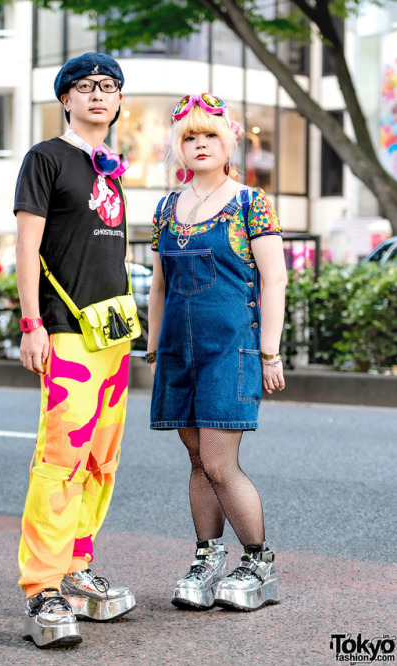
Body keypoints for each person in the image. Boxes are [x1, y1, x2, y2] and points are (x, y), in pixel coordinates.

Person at [147, 93, 288, 612]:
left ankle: (258, 562)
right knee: (195, 459)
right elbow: (159, 286)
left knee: (218, 461)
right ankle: (208, 557)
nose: (200, 144)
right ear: (177, 148)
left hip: (232, 347)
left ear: (229, 141)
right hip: (177, 352)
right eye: (189, 137)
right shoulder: (165, 208)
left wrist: (269, 352)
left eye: (209, 135)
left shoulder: (252, 202)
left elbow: (275, 279)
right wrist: (153, 345)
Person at [14, 52, 136, 649]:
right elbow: (27, 245)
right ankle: (42, 587)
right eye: (84, 87)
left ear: (118, 102)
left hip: (112, 335)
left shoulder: (109, 167)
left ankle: (75, 567)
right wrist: (30, 322)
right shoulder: (46, 159)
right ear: (65, 98)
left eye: (108, 87)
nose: (97, 95)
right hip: (64, 329)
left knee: (101, 459)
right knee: (60, 456)